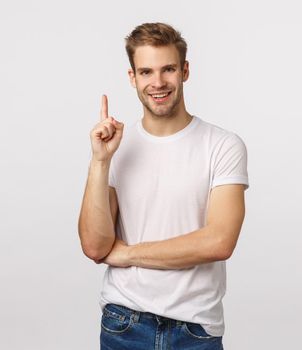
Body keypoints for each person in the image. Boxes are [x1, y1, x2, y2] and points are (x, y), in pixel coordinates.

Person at [78, 22, 249, 350]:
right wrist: (100, 160)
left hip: (196, 328)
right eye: (146, 72)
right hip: (124, 323)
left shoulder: (223, 145)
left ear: (185, 71)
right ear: (133, 78)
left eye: (168, 69)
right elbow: (96, 247)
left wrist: (128, 253)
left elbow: (218, 241)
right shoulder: (117, 147)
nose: (157, 83)